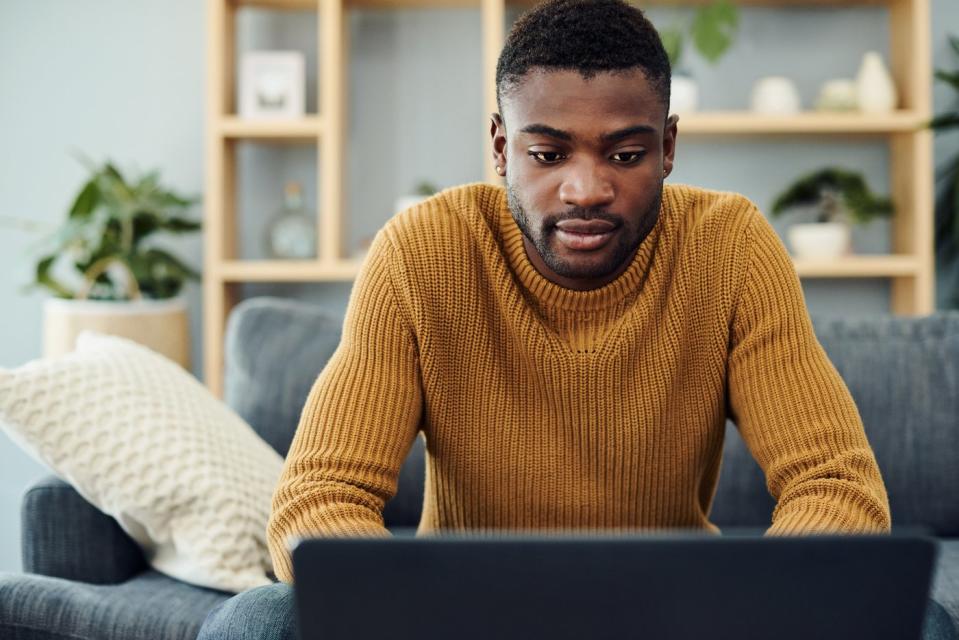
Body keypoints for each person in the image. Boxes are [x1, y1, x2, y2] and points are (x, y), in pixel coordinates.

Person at [199, 0, 957, 637]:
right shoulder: (420, 253)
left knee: (921, 622)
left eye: (624, 155)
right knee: (255, 622)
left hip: (679, 621)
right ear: (501, 148)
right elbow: (319, 497)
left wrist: (737, 613)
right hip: (455, 621)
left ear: (666, 148)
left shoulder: (730, 247)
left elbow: (835, 486)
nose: (585, 189)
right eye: (547, 153)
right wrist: (423, 613)